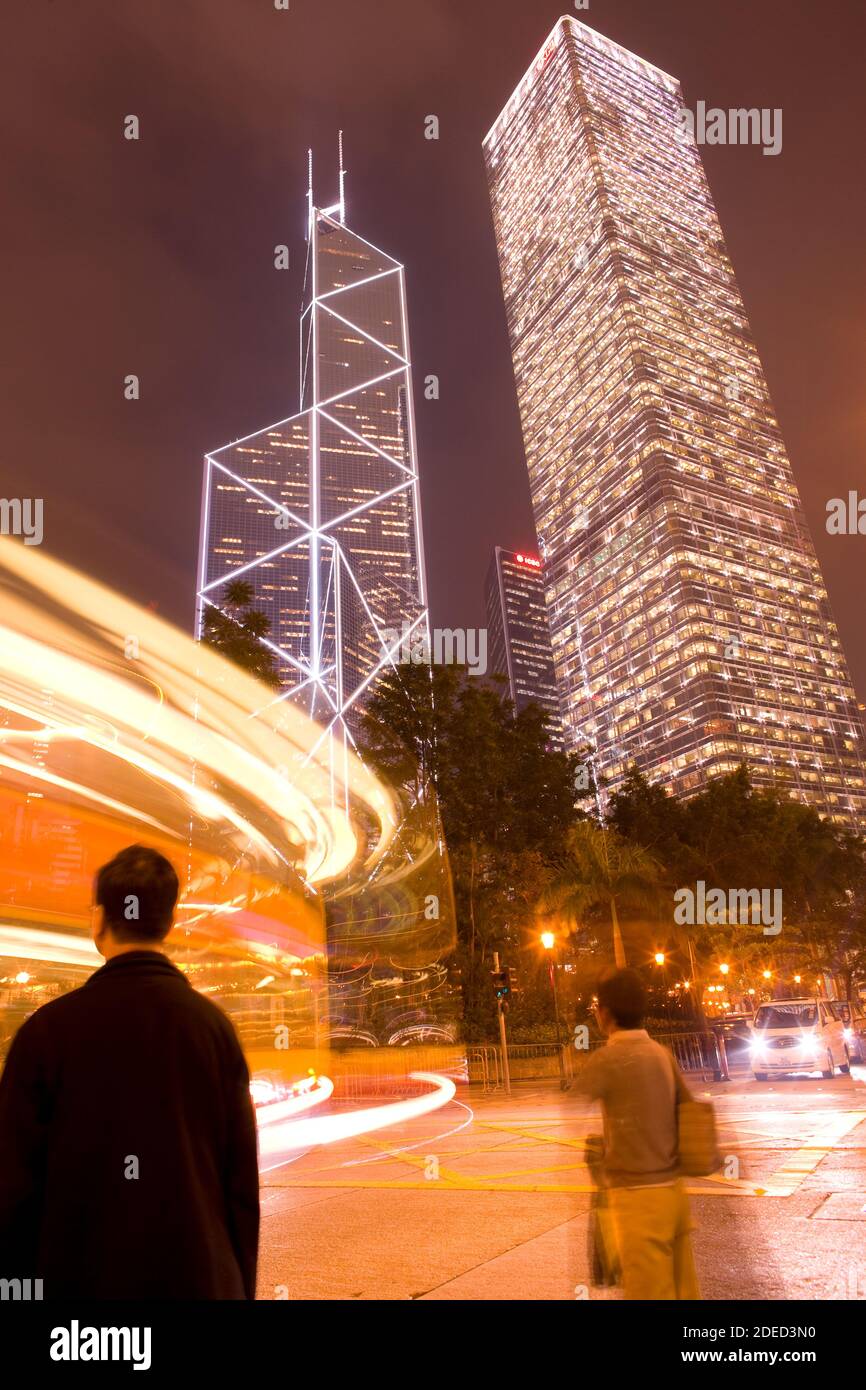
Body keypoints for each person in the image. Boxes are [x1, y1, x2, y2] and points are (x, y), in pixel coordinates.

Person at [0, 844, 260, 1299]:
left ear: (98, 918)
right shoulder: (213, 1030)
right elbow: (239, 1188)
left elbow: (13, 1194)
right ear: (169, 921)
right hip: (197, 1281)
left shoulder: (45, 1032)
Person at [576, 966, 700, 1300]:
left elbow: (573, 1107)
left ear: (605, 1013)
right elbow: (688, 1111)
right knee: (683, 1291)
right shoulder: (662, 1055)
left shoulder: (607, 1059)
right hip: (673, 1197)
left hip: (637, 1200)